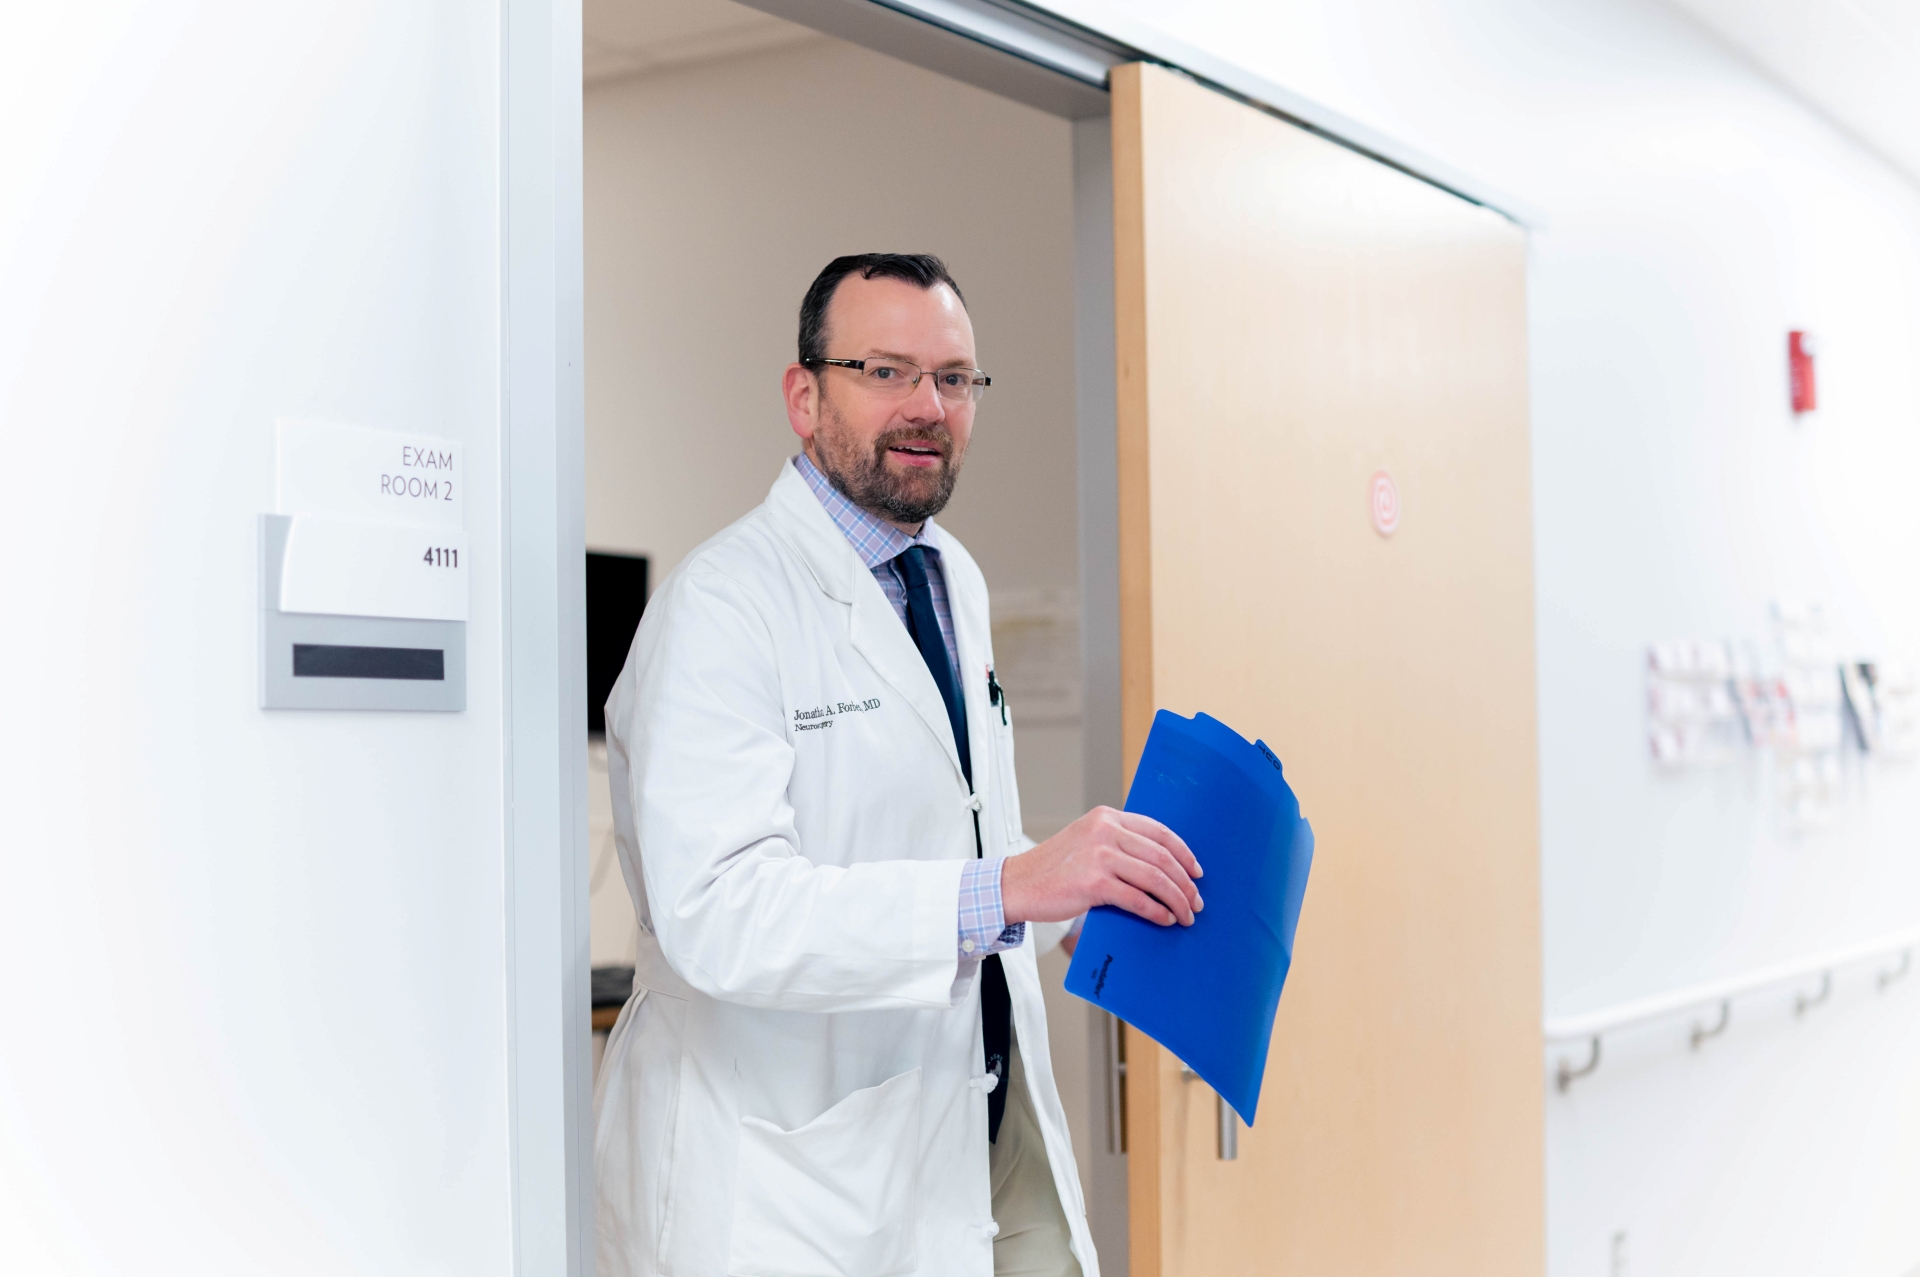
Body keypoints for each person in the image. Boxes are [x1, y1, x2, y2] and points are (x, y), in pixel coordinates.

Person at [596, 253, 1204, 1277]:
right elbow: (720, 910)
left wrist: (1076, 890)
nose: (927, 406)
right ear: (804, 394)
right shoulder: (722, 607)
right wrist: (1008, 885)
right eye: (886, 371)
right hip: (788, 1171)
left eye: (955, 378)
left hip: (970, 1108)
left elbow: (948, 828)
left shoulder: (947, 575)